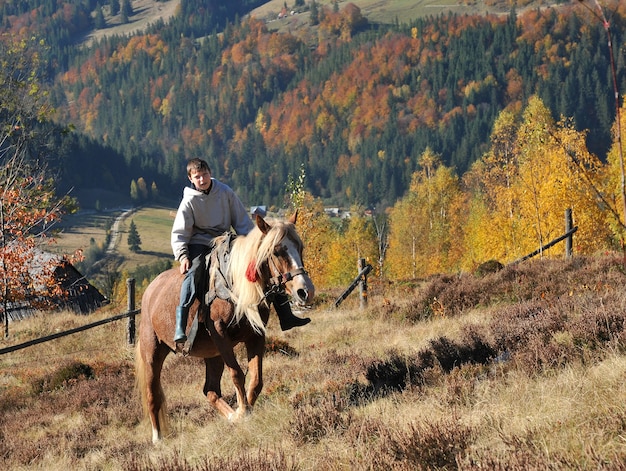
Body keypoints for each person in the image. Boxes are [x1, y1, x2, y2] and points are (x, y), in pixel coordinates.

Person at [171, 158, 310, 348]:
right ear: (191, 179)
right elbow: (180, 231)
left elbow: (242, 221)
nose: (202, 179)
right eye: (197, 177)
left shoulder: (225, 192)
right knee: (193, 273)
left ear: (210, 173)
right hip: (199, 244)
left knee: (267, 266)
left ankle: (286, 316)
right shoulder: (189, 201)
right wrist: (183, 255)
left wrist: (254, 245)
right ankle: (181, 323)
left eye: (204, 175)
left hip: (226, 241)